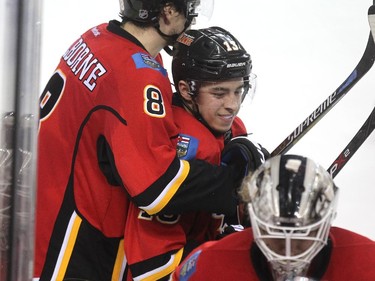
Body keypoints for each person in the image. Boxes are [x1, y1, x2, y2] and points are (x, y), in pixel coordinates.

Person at [34, 1, 259, 280]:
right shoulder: (138, 76)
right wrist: (234, 183)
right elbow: (155, 187)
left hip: (40, 209)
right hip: (72, 248)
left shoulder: (99, 36)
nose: (193, 15)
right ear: (167, 12)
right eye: (190, 6)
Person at [123, 26, 268, 280]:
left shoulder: (231, 127)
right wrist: (218, 252)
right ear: (187, 90)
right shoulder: (179, 144)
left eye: (238, 90)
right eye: (219, 93)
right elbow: (151, 262)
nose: (232, 104)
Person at [170, 154, 375, 281]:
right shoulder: (210, 264)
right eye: (276, 233)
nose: (288, 250)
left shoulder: (368, 263)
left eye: (302, 235)